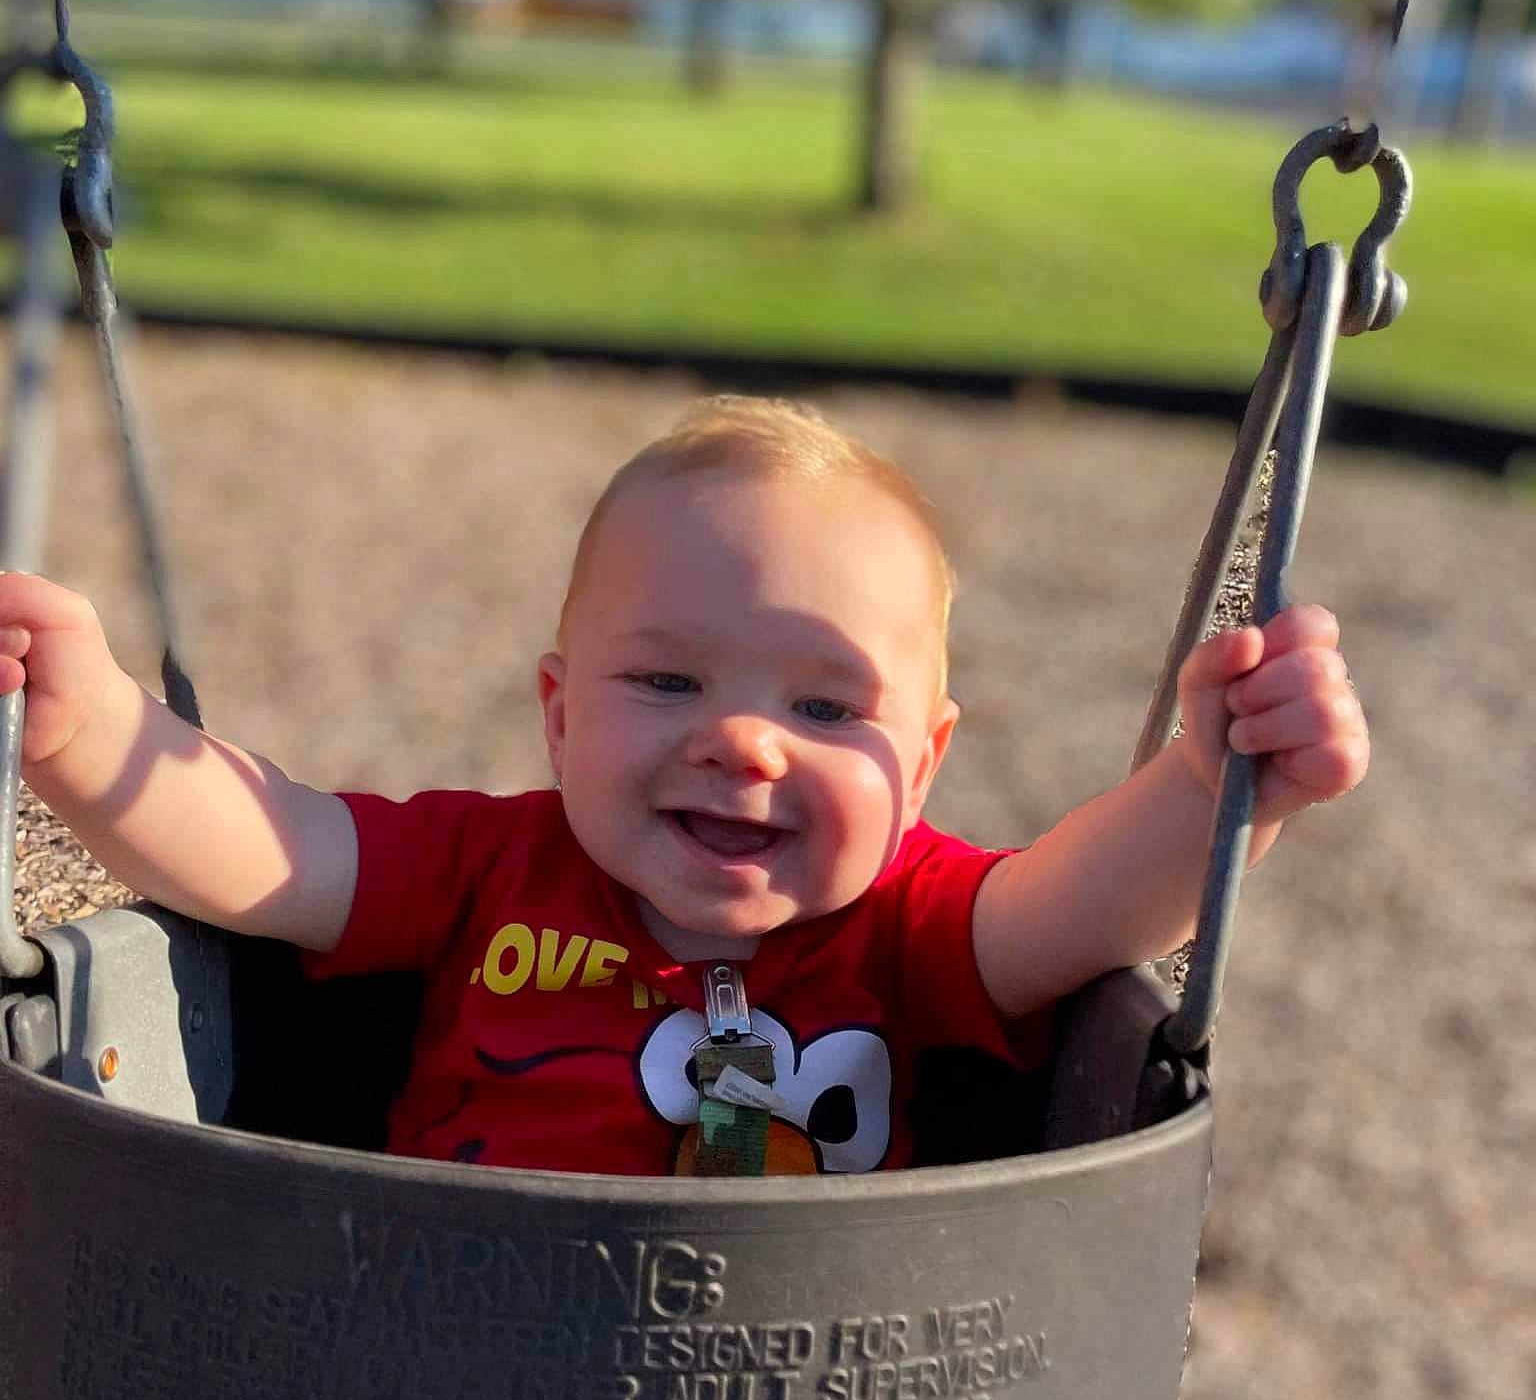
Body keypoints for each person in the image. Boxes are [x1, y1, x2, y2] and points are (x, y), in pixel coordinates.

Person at [1, 395, 1367, 1182]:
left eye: (825, 707)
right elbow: (273, 846)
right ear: (557, 713)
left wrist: (1221, 782)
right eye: (667, 685)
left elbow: (1089, 906)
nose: (745, 744)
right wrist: (91, 724)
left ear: (926, 764)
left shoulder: (908, 924)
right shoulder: (492, 868)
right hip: (436, 1371)